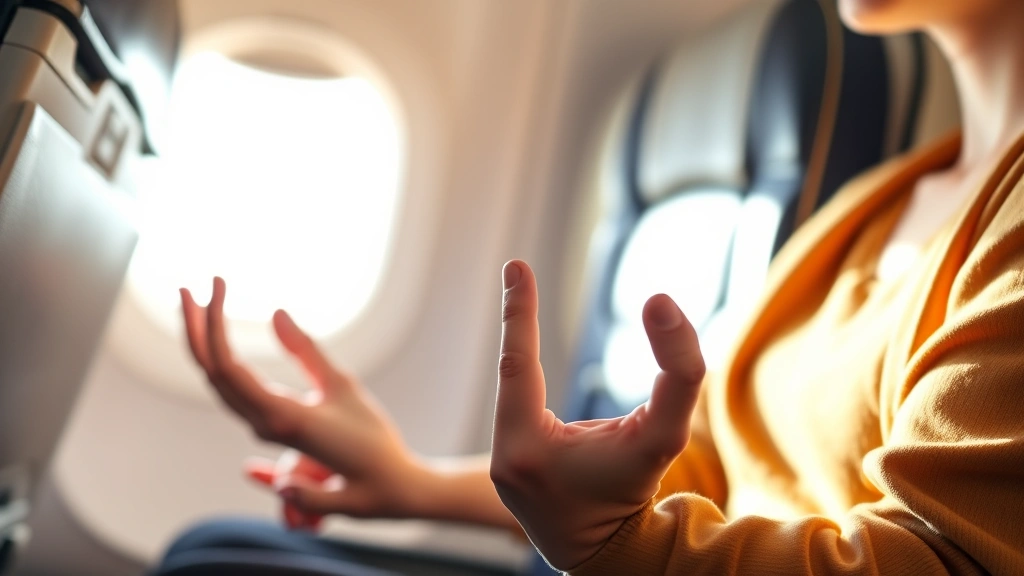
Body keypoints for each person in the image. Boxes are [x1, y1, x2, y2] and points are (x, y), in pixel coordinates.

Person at [175, 0, 1024, 573]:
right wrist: (413, 481)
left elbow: (939, 560)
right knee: (213, 548)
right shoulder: (875, 203)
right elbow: (697, 474)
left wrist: (625, 547)